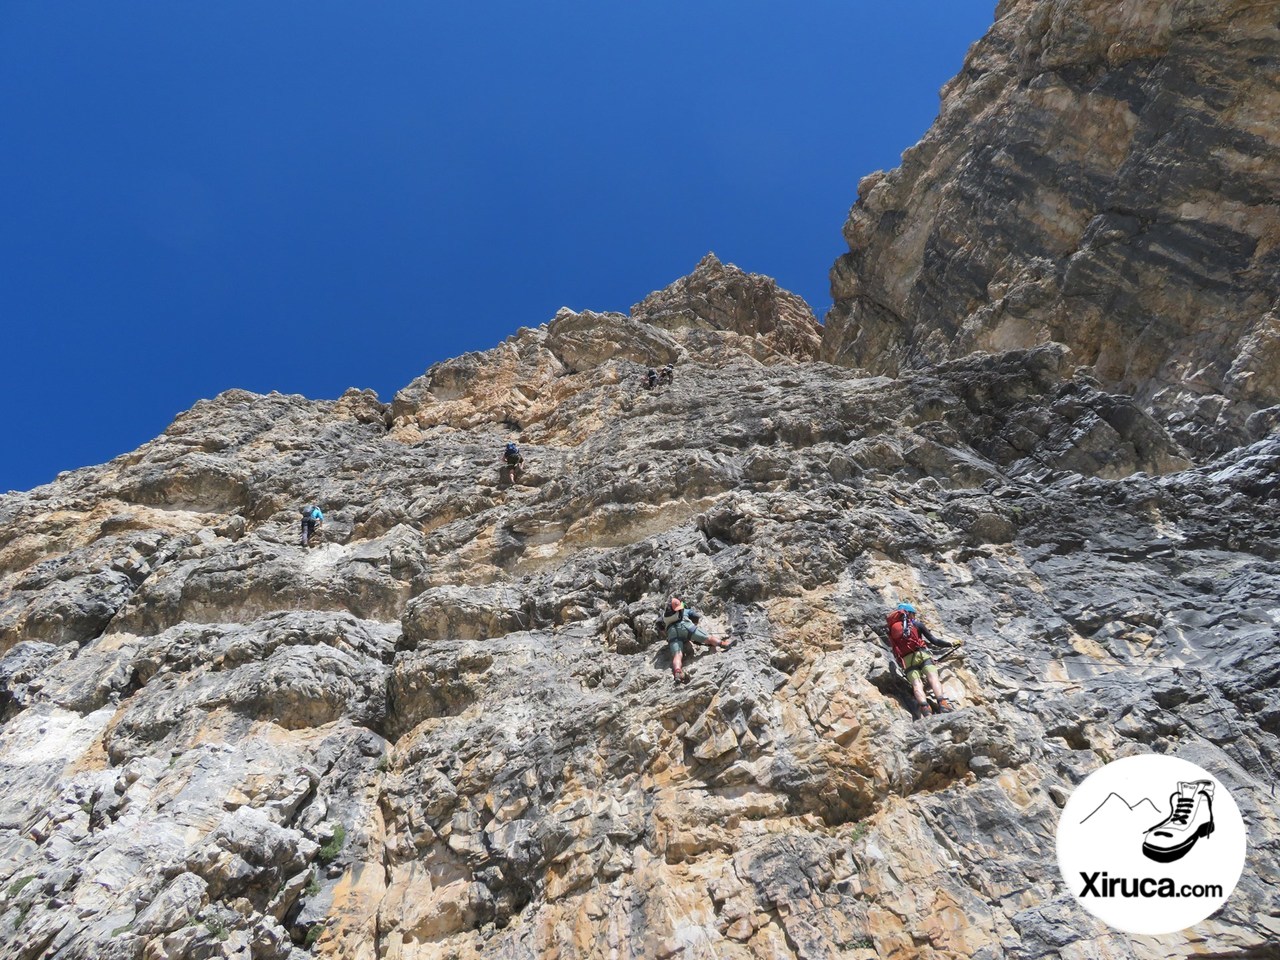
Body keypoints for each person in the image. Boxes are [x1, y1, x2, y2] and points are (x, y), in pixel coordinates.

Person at [886, 602, 958, 716]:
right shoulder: (916, 625)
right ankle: (943, 704)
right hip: (922, 654)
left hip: (907, 660)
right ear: (908, 614)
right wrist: (951, 644)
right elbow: (934, 641)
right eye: (913, 614)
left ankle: (925, 709)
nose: (914, 617)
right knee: (933, 678)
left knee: (916, 684)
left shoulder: (892, 630)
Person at [659, 595, 733, 684]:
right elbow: (696, 616)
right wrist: (694, 630)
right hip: (687, 627)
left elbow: (659, 625)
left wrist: (667, 635)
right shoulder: (685, 611)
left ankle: (677, 672)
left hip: (672, 633)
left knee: (677, 655)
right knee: (708, 638)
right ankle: (724, 644)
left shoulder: (663, 616)